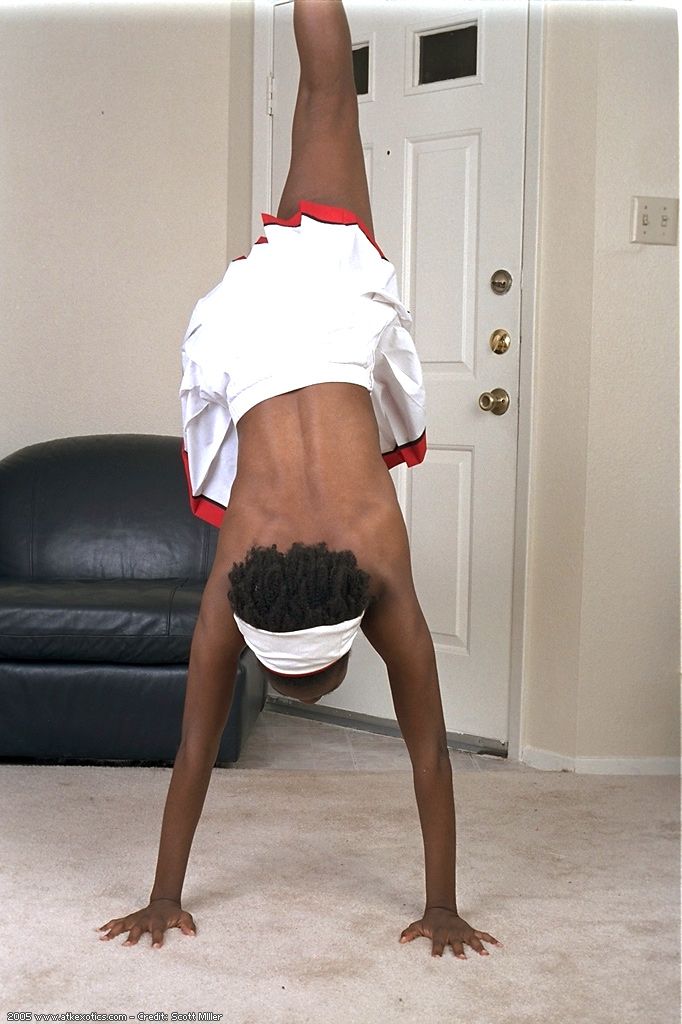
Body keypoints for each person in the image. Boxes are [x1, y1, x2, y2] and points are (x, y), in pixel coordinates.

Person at [97, 0, 501, 961]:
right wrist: (160, 896)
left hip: (326, 314)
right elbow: (198, 750)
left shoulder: (375, 565)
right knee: (323, 102)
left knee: (328, 99)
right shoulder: (235, 579)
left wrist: (165, 896)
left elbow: (429, 755)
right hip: (246, 334)